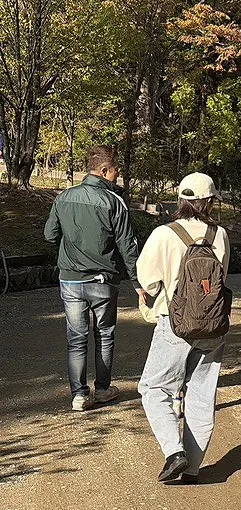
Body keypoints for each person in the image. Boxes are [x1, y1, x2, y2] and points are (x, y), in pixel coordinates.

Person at [136, 172, 230, 484]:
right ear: (210, 202)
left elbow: (147, 279)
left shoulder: (165, 234)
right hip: (213, 326)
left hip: (175, 325)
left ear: (181, 200)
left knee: (155, 388)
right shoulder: (221, 236)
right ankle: (192, 468)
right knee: (202, 394)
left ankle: (174, 451)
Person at [44, 145, 142, 412]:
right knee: (104, 335)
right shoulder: (114, 202)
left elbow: (50, 235)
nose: (116, 178)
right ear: (104, 171)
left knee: (76, 338)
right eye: (115, 173)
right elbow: (128, 247)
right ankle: (101, 390)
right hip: (103, 280)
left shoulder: (63, 198)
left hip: (71, 280)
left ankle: (78, 395)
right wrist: (138, 282)